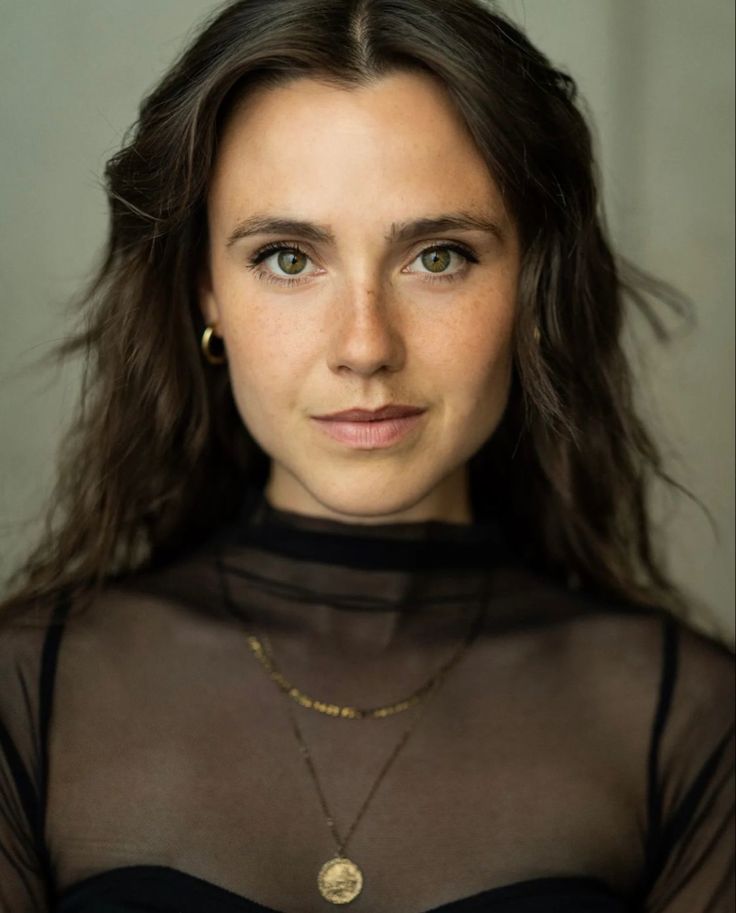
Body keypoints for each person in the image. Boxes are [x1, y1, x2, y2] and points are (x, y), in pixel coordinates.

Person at [0, 0, 733, 911]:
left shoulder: (687, 722)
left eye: (438, 255)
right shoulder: (29, 691)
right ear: (206, 290)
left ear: (531, 284)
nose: (365, 345)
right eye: (286, 257)